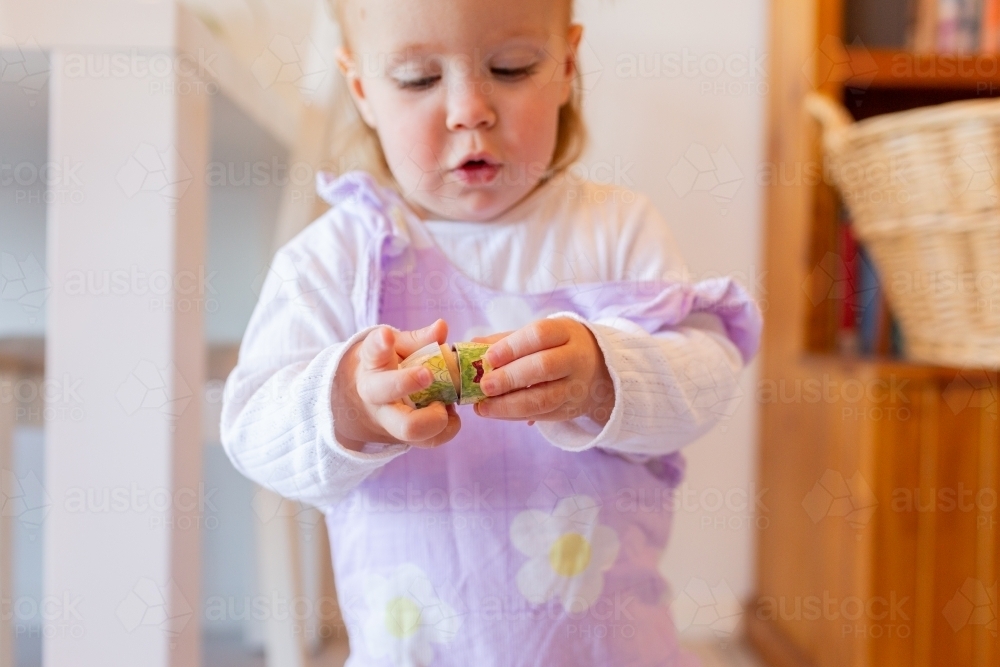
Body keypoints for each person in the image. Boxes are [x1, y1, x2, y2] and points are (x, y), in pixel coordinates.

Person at [221, 0, 761, 664]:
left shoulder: (614, 230)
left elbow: (709, 374)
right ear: (361, 89)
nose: (469, 108)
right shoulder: (335, 257)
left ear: (565, 66)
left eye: (511, 67)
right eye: (419, 78)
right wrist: (348, 402)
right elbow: (251, 427)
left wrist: (605, 377)